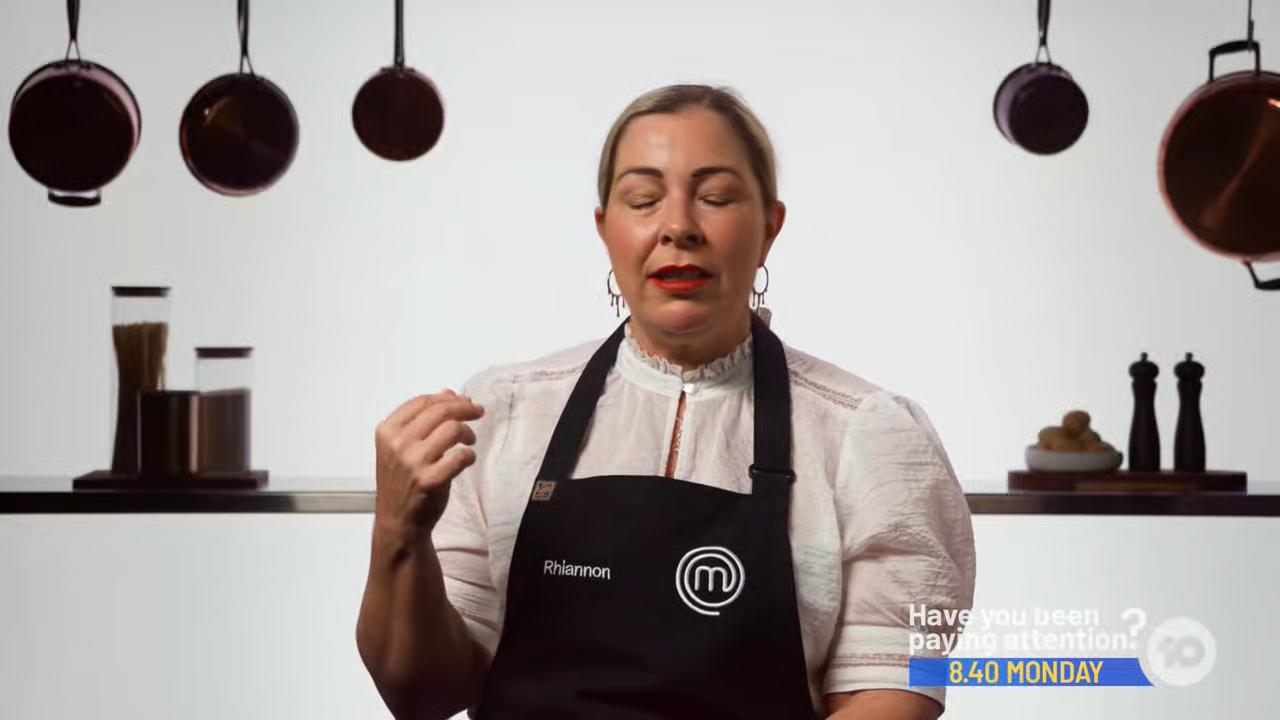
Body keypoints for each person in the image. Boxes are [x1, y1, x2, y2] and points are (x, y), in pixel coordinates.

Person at [355, 83, 976, 720]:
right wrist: (398, 533)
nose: (678, 227)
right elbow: (421, 695)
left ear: (770, 226)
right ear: (605, 230)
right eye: (644, 199)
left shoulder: (871, 435)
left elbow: (897, 691)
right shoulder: (502, 413)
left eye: (716, 197)